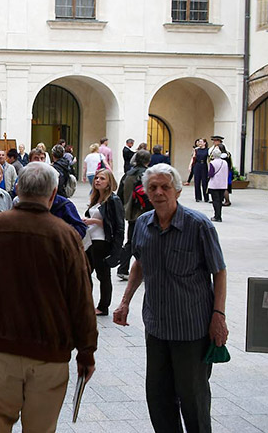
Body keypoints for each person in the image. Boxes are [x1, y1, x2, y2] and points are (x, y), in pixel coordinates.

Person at [0, 162, 98, 433]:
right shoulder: (65, 236)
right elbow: (82, 300)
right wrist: (86, 351)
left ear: (17, 188)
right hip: (49, 352)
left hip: (0, 346)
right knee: (40, 427)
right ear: (52, 195)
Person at [113, 164, 227, 433]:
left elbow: (219, 272)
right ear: (146, 192)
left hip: (192, 329)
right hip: (156, 327)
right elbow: (139, 264)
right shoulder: (143, 223)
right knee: (159, 397)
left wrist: (218, 316)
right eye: (153, 187)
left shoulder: (199, 225)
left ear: (177, 190)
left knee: (193, 398)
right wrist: (125, 301)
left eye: (165, 187)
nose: (159, 192)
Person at [82, 168, 124, 316]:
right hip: (90, 241)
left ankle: (103, 306)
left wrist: (94, 221)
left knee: (103, 275)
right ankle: (85, 303)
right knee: (85, 273)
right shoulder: (95, 198)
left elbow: (118, 226)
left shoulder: (113, 200)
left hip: (102, 242)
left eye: (102, 178)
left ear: (109, 183)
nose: (98, 180)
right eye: (97, 178)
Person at [25, 148, 87, 238]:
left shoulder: (64, 205)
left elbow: (80, 229)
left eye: (42, 158)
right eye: (36, 158)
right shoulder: (20, 202)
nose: (40, 161)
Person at [116, 149, 152, 281]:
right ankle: (145, 270)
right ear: (148, 161)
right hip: (145, 212)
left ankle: (123, 268)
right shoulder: (147, 175)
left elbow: (119, 195)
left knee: (130, 241)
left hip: (130, 212)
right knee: (147, 241)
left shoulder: (127, 174)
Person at [207, 145, 229, 222]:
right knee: (220, 200)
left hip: (214, 184)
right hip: (223, 184)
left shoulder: (212, 163)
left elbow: (211, 174)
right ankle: (219, 215)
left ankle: (217, 216)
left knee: (215, 201)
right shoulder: (225, 162)